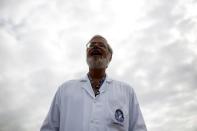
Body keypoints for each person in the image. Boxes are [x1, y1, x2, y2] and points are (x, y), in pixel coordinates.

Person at [40, 35, 147, 131]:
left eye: (101, 45)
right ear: (86, 54)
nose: (96, 46)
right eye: (91, 45)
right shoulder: (64, 90)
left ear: (109, 57)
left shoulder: (127, 92)